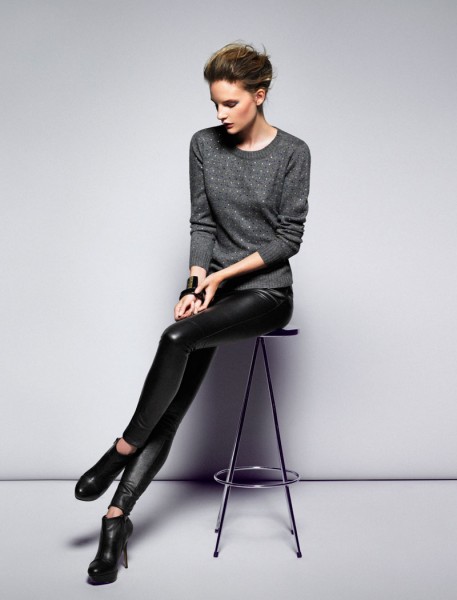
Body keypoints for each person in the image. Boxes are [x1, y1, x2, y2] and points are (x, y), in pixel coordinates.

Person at [75, 42, 311, 584]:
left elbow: (288, 240)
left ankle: (121, 447)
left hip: (266, 296)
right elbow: (202, 224)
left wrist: (220, 280)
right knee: (173, 407)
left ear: (259, 96)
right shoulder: (203, 145)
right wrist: (194, 284)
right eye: (215, 104)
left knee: (175, 338)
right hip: (215, 295)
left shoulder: (293, 152)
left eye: (231, 103)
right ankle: (116, 521)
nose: (221, 114)